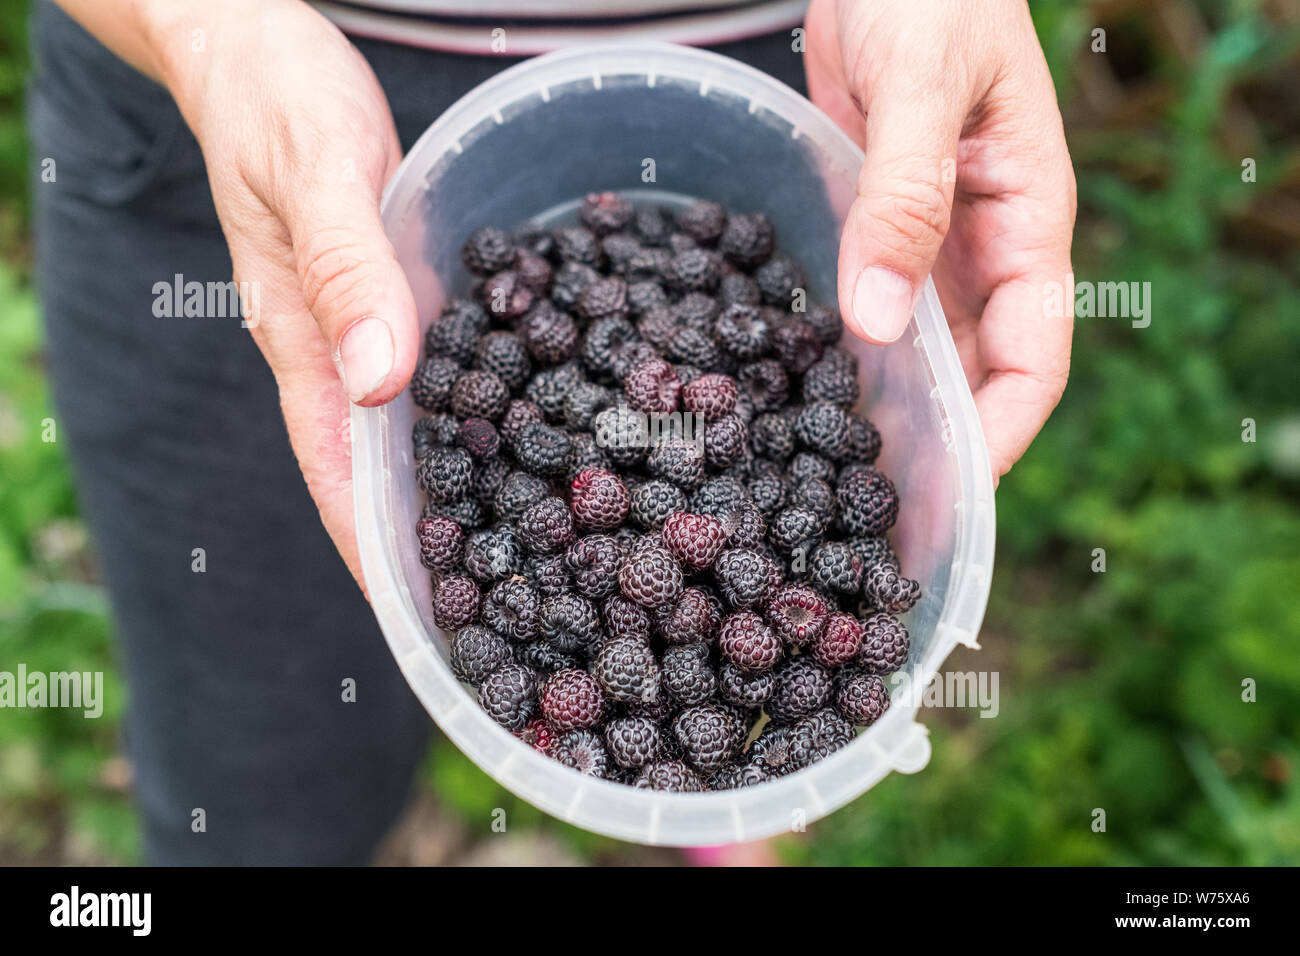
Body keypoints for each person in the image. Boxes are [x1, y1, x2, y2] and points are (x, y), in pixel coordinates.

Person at [30, 0, 1074, 865]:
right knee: (260, 769)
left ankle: (695, 801)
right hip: (245, 87)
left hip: (796, 69)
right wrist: (203, 32)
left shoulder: (703, 461)